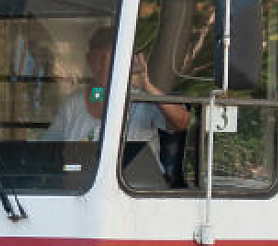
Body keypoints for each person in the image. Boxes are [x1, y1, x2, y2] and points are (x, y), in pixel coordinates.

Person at [43, 28, 188, 155]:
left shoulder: (142, 98)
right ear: (89, 60)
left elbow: (182, 122)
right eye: (99, 58)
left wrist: (147, 87)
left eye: (111, 59)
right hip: (82, 183)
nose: (104, 66)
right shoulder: (72, 104)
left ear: (123, 62)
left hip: (134, 183)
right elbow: (48, 147)